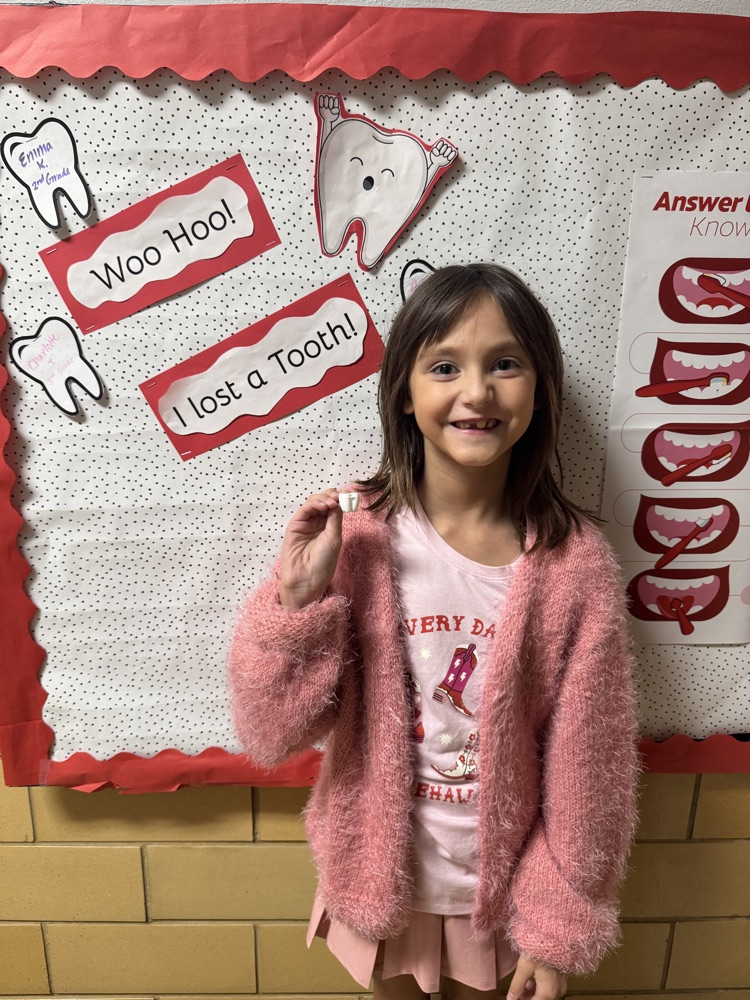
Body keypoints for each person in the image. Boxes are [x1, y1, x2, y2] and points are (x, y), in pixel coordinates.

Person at [229, 263, 639, 1000]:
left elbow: (590, 773)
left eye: (505, 364)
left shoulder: (575, 568)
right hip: (380, 888)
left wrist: (557, 929)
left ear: (539, 388)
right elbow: (273, 729)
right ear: (406, 395)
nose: (476, 392)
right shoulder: (355, 541)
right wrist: (297, 602)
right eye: (445, 366)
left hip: (507, 905)